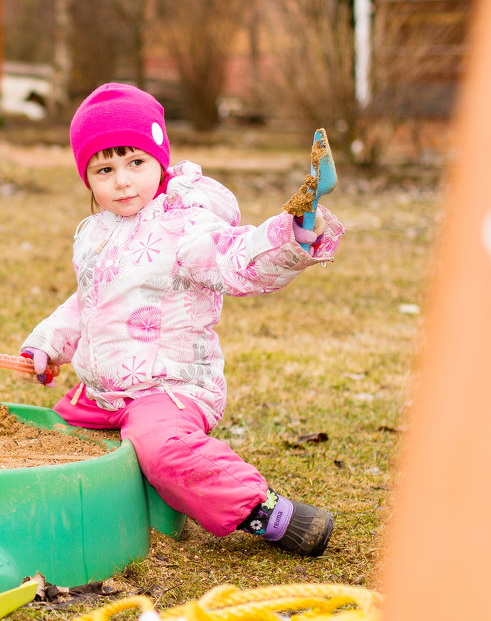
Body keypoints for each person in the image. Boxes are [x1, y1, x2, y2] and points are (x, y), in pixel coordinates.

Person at [21, 82, 343, 556]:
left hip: (168, 387)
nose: (123, 181)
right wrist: (48, 344)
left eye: (136, 163)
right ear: (87, 178)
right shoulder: (94, 233)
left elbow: (233, 257)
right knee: (53, 437)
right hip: (108, 391)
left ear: (160, 162)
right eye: (105, 169)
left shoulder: (184, 227)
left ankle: (265, 511)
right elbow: (86, 303)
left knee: (164, 451)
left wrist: (289, 236)